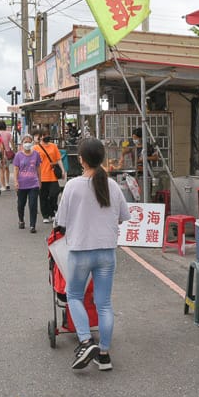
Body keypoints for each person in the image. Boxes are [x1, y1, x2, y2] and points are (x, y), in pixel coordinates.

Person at [55, 137, 130, 372]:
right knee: (104, 304)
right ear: (102, 159)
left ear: (81, 160)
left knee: (73, 295)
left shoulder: (73, 186)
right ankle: (104, 355)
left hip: (80, 252)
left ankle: (86, 341)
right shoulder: (113, 186)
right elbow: (122, 216)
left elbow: (62, 222)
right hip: (107, 252)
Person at [35, 130, 66, 224]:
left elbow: (58, 159)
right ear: (40, 137)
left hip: (52, 175)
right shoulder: (35, 148)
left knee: (54, 194)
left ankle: (52, 212)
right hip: (42, 175)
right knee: (43, 196)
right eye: (44, 135)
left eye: (47, 134)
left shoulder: (53, 146)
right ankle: (45, 215)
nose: (46, 136)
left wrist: (63, 170)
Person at [12, 134, 41, 232]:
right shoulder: (18, 155)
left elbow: (38, 168)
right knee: (21, 204)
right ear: (22, 144)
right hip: (22, 183)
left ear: (32, 143)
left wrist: (39, 180)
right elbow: (16, 169)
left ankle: (33, 225)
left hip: (34, 183)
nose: (27, 144)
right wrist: (16, 181)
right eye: (25, 142)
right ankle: (21, 220)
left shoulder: (36, 154)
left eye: (29, 142)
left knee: (33, 204)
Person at [0, 119, 14, 192]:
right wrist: (13, 151)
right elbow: (12, 144)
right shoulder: (9, 133)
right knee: (7, 168)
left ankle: (3, 186)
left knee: (1, 170)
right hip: (8, 153)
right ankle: (7, 184)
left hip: (1, 154)